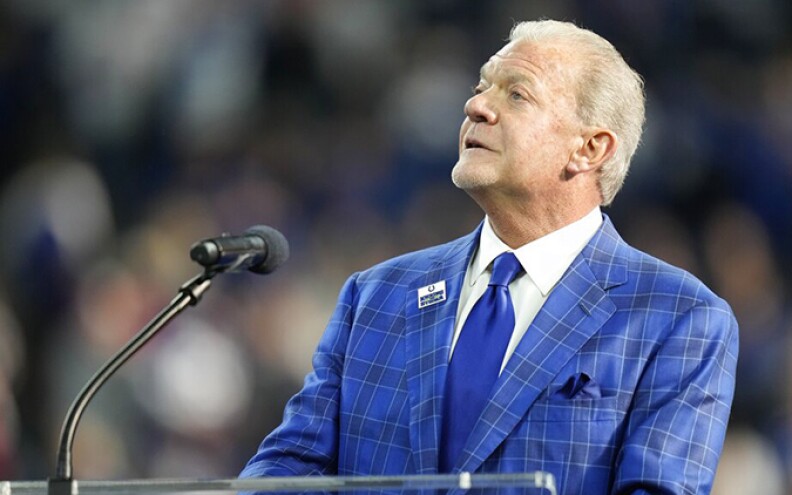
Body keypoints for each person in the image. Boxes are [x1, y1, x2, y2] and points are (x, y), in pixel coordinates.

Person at [241, 19, 738, 495]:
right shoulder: (374, 296)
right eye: (483, 87)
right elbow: (292, 469)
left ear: (589, 149)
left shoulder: (680, 319)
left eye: (516, 94)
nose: (477, 105)